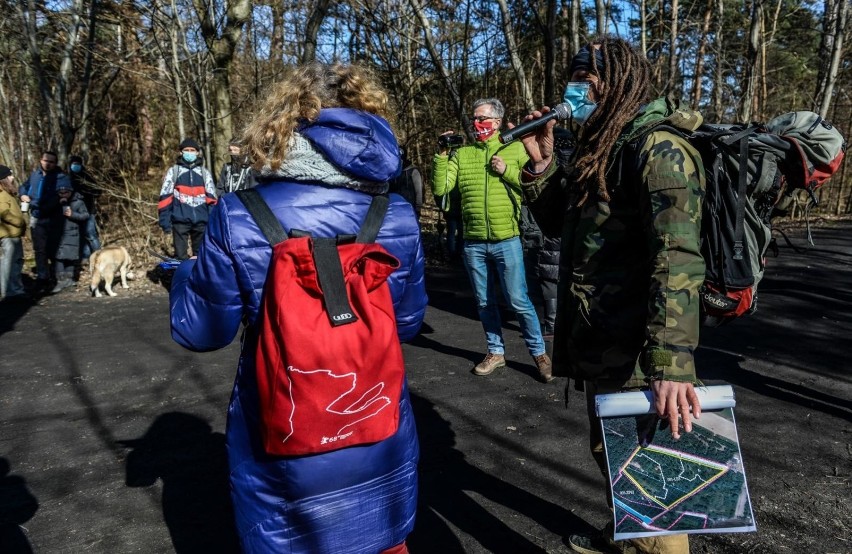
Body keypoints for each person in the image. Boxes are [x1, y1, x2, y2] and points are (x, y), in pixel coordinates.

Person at [168, 63, 426, 554]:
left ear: (282, 124)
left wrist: (183, 275)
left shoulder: (239, 212)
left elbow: (201, 332)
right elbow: (409, 323)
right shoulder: (395, 213)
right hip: (375, 425)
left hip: (283, 440)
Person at [517, 37, 705, 554]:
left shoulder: (658, 149)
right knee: (613, 453)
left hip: (638, 349)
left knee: (649, 477)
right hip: (603, 340)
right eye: (573, 74)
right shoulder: (605, 144)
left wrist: (670, 363)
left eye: (587, 76)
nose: (575, 86)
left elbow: (679, 259)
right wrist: (543, 166)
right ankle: (627, 534)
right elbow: (563, 224)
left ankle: (646, 541)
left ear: (621, 82)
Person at [431, 98, 552, 382]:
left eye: (483, 119)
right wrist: (441, 156)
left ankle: (540, 354)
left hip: (506, 240)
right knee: (485, 303)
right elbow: (442, 193)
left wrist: (506, 171)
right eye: (474, 119)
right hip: (473, 242)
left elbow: (532, 186)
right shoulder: (461, 154)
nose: (477, 125)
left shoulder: (515, 149)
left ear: (497, 122)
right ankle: (495, 353)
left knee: (519, 300)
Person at [18, 150, 70, 291]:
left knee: (53, 248)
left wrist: (36, 204)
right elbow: (24, 186)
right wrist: (23, 194)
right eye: (46, 161)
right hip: (36, 217)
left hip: (53, 218)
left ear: (55, 163)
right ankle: (42, 278)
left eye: (51, 162)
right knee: (39, 250)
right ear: (41, 160)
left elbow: (61, 196)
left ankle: (56, 277)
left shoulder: (61, 177)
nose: (48, 164)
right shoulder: (35, 175)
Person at [158, 138, 217, 259]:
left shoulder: (204, 173)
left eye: (192, 150)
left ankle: (199, 278)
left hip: (201, 221)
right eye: (186, 150)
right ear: (181, 152)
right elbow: (165, 197)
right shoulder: (173, 172)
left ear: (197, 153)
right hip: (179, 221)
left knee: (201, 256)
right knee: (180, 257)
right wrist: (165, 221)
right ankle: (183, 277)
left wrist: (212, 220)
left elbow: (212, 199)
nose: (189, 152)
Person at [519, 205, 559, 342]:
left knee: (547, 279)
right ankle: (550, 323)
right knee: (549, 277)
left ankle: (550, 325)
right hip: (550, 236)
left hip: (544, 237)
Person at [50, 181, 89, 293]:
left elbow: (85, 215)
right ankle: (60, 281)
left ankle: (69, 280)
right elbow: (46, 212)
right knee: (58, 258)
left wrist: (73, 215)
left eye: (65, 192)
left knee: (70, 258)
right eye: (60, 193)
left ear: (70, 191)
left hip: (72, 234)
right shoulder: (54, 201)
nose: (63, 195)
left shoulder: (78, 202)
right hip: (57, 235)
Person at [0, 165, 27, 300]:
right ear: (3, 178)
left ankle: (10, 290)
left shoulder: (7, 193)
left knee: (11, 262)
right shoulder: (2, 194)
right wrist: (19, 222)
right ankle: (13, 291)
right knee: (11, 263)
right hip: (9, 235)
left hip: (12, 234)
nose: (12, 178)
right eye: (9, 175)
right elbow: (4, 213)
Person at [68, 155, 101, 260]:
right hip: (74, 212)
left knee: (91, 235)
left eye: (78, 164)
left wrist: (85, 191)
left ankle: (99, 256)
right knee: (81, 236)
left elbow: (98, 191)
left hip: (88, 210)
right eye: (74, 164)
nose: (75, 166)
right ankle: (86, 257)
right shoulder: (68, 178)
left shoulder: (87, 177)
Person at [388, 147, 423, 221]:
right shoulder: (392, 171)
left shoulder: (413, 171)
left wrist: (418, 208)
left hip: (410, 207)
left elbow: (419, 190)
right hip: (394, 207)